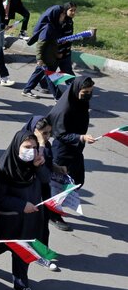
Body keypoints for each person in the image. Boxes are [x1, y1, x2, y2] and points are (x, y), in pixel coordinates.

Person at [0, 129, 46, 290]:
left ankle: (21, 283)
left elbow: (46, 181)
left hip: (30, 221)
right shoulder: (4, 168)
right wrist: (22, 205)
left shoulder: (35, 164)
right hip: (9, 221)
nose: (31, 150)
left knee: (23, 254)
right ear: (17, 146)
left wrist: (40, 166)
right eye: (27, 146)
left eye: (34, 147)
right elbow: (0, 198)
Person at [46, 76, 96, 228]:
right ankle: (53, 215)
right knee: (59, 186)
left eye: (91, 91)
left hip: (75, 151)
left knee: (77, 181)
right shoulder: (65, 109)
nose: (88, 95)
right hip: (62, 153)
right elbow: (60, 134)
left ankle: (50, 207)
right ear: (76, 90)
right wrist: (80, 137)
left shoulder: (80, 102)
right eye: (85, 92)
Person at [23, 116, 65, 262]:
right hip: (28, 192)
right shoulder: (26, 147)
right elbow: (37, 164)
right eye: (44, 133)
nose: (47, 137)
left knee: (42, 223)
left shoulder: (45, 145)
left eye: (49, 133)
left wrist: (56, 168)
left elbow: (45, 163)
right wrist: (40, 143)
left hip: (42, 190)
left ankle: (41, 253)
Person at [21, 5, 67, 100]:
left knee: (38, 73)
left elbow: (53, 43)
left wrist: (57, 52)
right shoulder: (48, 28)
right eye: (62, 15)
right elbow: (40, 45)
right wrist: (39, 59)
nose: (64, 16)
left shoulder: (55, 26)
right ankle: (58, 98)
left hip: (50, 57)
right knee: (51, 78)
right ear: (56, 15)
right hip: (45, 58)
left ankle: (26, 90)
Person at [57, 2, 77, 77]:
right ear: (65, 10)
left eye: (75, 10)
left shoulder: (70, 21)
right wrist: (59, 51)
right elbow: (58, 38)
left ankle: (73, 86)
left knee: (67, 71)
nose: (73, 12)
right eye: (71, 10)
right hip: (59, 52)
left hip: (67, 51)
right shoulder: (62, 21)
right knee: (49, 70)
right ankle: (43, 83)